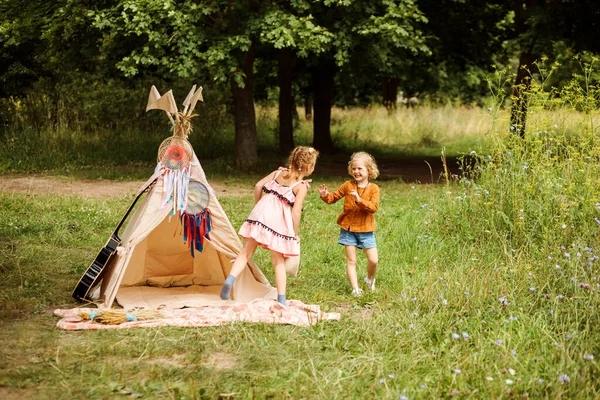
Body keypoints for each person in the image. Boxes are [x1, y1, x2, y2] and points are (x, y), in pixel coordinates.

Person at [220, 146, 319, 306]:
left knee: (245, 252)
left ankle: (230, 280)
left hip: (261, 214)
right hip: (278, 222)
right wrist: (294, 233)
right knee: (278, 260)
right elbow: (296, 212)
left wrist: (259, 206)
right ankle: (281, 299)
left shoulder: (277, 173)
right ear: (308, 167)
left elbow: (259, 186)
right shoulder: (301, 186)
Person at [318, 152, 380, 297]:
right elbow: (333, 197)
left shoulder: (374, 188)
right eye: (354, 169)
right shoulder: (347, 185)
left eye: (360, 169)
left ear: (369, 170)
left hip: (366, 229)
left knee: (373, 260)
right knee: (351, 261)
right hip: (348, 229)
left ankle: (369, 280)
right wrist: (325, 195)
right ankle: (355, 289)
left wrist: (359, 200)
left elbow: (373, 208)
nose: (356, 172)